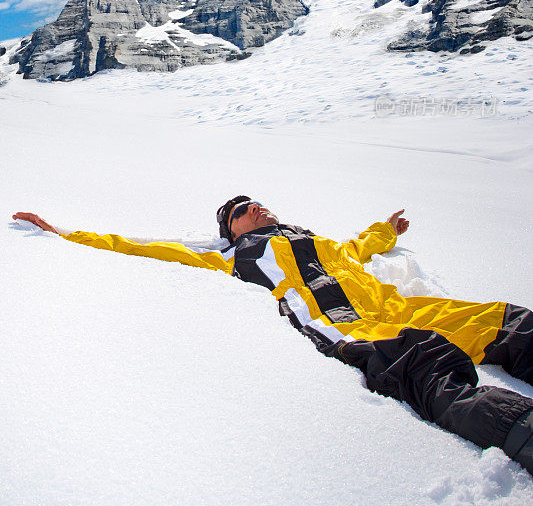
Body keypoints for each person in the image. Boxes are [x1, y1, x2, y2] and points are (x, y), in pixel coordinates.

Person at [12, 198, 533, 475]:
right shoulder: (235, 256)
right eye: (243, 210)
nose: (257, 208)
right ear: (231, 228)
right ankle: (520, 428)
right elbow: (141, 248)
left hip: (398, 305)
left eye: (258, 203)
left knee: (508, 320)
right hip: (346, 326)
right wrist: (63, 235)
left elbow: (359, 246)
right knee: (424, 364)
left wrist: (386, 231)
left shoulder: (316, 240)